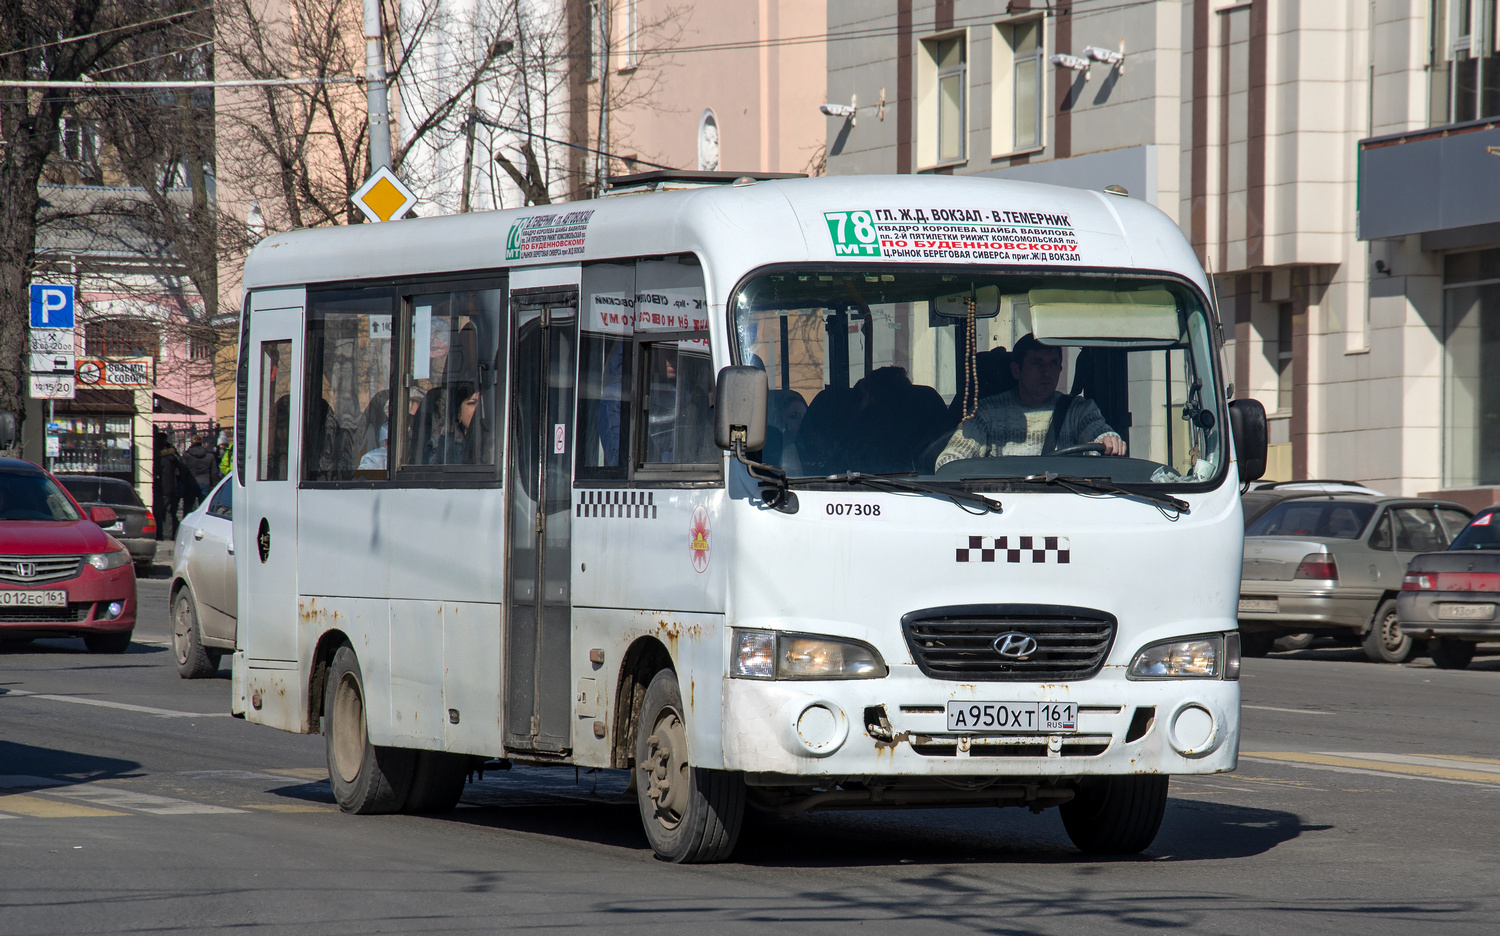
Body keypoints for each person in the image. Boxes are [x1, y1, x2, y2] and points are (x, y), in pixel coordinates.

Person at [936, 333, 1125, 469]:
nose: (1046, 371)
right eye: (1037, 363)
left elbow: (1099, 433)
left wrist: (1108, 440)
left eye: (1053, 363)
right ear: (1016, 370)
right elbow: (949, 462)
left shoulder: (1079, 410)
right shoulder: (986, 412)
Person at [181, 434, 218, 510]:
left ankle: (188, 521)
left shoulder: (187, 455)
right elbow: (214, 472)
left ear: (191, 443)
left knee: (188, 506)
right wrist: (213, 484)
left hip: (190, 482)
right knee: (204, 508)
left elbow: (183, 470)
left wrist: (183, 481)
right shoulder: (209, 456)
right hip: (205, 482)